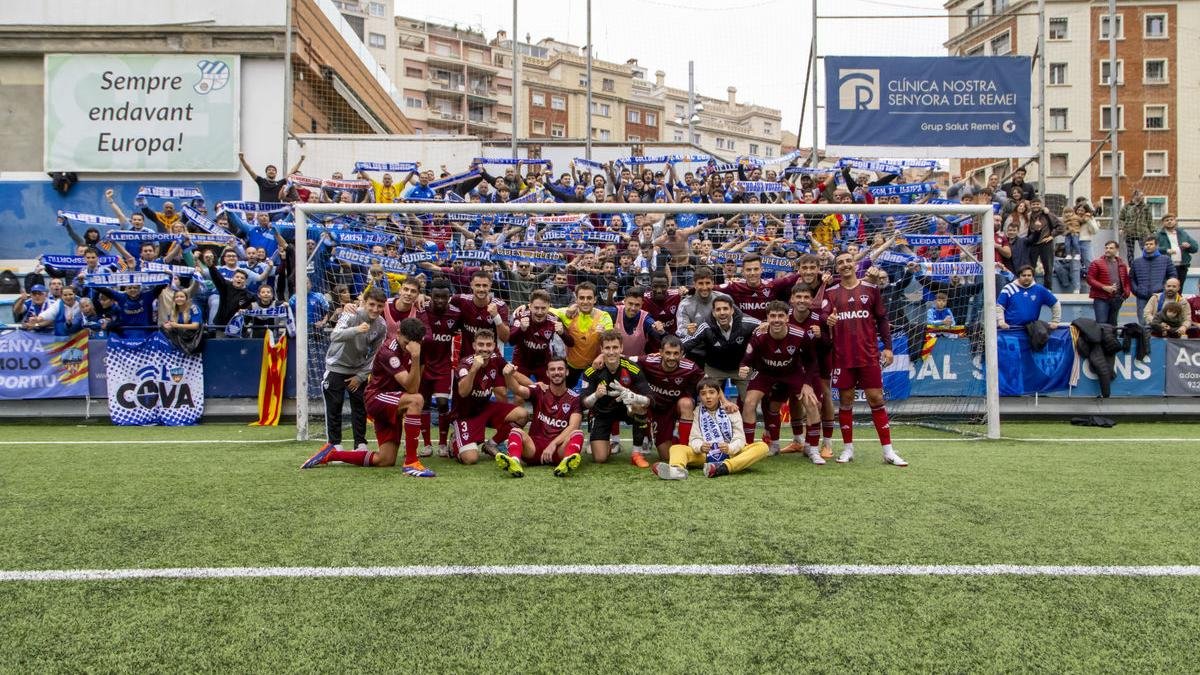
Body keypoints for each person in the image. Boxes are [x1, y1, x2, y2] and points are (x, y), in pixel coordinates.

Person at [301, 317, 435, 477]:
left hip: (394, 401)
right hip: (376, 399)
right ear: (398, 333)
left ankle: (332, 454)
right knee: (416, 400)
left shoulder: (418, 349)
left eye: (414, 345)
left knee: (385, 460)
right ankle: (411, 463)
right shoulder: (388, 352)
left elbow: (414, 385)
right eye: (406, 343)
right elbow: (412, 389)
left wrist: (416, 356)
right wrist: (415, 357)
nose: (408, 348)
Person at [824, 252, 907, 467]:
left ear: (855, 264)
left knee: (876, 399)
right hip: (842, 356)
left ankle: (888, 451)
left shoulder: (871, 288)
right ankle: (848, 449)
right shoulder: (831, 292)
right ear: (836, 268)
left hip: (868, 355)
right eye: (840, 262)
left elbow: (882, 319)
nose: (845, 265)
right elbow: (823, 316)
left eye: (848, 261)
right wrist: (828, 320)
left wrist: (888, 347)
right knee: (845, 401)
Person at [737, 301, 820, 453]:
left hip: (792, 373)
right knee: (749, 402)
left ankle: (812, 449)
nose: (776, 320)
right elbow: (746, 359)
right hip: (765, 373)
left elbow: (812, 360)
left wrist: (807, 384)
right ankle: (750, 447)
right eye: (773, 316)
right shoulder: (759, 334)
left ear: (787, 318)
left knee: (811, 403)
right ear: (767, 318)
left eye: (780, 316)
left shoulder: (799, 334)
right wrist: (743, 367)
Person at [652, 378, 770, 480]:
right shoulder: (697, 412)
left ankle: (724, 467)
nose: (708, 397)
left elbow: (740, 438)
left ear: (719, 394)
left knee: (762, 447)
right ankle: (676, 470)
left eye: (712, 392)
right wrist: (700, 446)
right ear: (699, 397)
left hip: (731, 454)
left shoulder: (731, 409)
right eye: (703, 394)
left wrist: (730, 448)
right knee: (676, 448)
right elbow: (694, 439)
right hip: (705, 455)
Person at [318, 288, 388, 458]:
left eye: (379, 306)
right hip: (336, 367)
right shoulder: (350, 314)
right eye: (372, 304)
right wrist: (356, 329)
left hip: (357, 372)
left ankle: (360, 444)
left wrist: (361, 376)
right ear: (365, 302)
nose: (375, 309)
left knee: (360, 408)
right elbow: (334, 336)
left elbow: (376, 355)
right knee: (334, 407)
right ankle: (334, 445)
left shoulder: (381, 325)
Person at [493, 357, 586, 478]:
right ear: (547, 373)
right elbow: (518, 389)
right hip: (534, 449)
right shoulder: (539, 391)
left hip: (558, 450)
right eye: (552, 369)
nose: (556, 372)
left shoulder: (575, 398)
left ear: (567, 372)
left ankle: (566, 462)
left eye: (560, 369)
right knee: (516, 431)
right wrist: (508, 375)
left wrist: (553, 444)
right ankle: (514, 462)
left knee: (577, 433)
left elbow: (573, 426)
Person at [450, 329, 529, 465]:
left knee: (522, 414)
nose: (485, 349)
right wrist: (474, 369)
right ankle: (454, 441)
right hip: (465, 415)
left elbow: (515, 374)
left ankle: (491, 444)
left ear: (493, 346)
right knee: (470, 459)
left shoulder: (496, 359)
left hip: (485, 408)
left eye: (488, 345)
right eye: (481, 344)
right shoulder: (465, 364)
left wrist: (536, 385)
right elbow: (463, 392)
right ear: (474, 346)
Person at [580, 330, 652, 463]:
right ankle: (606, 444)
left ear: (621, 348)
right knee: (600, 458)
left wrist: (634, 397)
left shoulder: (632, 368)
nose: (611, 352)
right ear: (601, 349)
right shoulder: (592, 370)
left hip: (626, 409)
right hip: (602, 412)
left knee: (640, 406)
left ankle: (637, 453)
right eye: (607, 348)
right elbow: (583, 402)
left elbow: (650, 398)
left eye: (615, 347)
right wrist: (595, 395)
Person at [637, 336, 703, 467]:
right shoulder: (649, 360)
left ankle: (685, 448)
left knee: (686, 403)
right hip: (658, 410)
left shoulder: (690, 367)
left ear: (682, 354)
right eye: (668, 353)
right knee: (666, 456)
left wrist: (725, 401)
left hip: (677, 406)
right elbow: (626, 359)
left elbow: (708, 383)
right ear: (661, 352)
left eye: (676, 353)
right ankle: (669, 435)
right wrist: (601, 357)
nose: (672, 357)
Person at [681, 295, 759, 399]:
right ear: (713, 312)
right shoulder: (706, 326)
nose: (722, 312)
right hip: (714, 368)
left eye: (725, 308)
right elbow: (688, 342)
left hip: (742, 368)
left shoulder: (747, 322)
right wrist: (668, 350)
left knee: (750, 401)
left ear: (732, 310)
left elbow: (766, 327)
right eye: (718, 309)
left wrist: (765, 326)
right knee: (709, 399)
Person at [418, 282, 461, 457]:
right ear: (430, 296)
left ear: (449, 297)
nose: (441, 300)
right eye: (437, 297)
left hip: (443, 366)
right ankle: (427, 445)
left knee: (443, 404)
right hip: (422, 365)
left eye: (444, 297)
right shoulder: (421, 310)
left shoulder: (456, 314)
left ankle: (442, 444)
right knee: (424, 403)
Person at [551, 281, 613, 387]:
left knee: (596, 392)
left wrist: (604, 335)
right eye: (582, 298)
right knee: (565, 389)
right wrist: (525, 306)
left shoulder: (603, 317)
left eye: (589, 298)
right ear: (576, 299)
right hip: (572, 364)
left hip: (594, 365)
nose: (585, 301)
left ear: (595, 299)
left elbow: (611, 340)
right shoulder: (568, 313)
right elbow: (546, 309)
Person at [508, 289, 571, 390]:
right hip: (521, 361)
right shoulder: (521, 316)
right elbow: (511, 341)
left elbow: (571, 343)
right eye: (536, 308)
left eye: (543, 308)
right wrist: (521, 329)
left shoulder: (554, 320)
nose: (540, 312)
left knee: (547, 392)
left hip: (543, 363)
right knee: (520, 394)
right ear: (530, 306)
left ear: (549, 307)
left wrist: (562, 333)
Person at [1128, 237, 1176, 325]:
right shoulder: (1136, 262)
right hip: (1142, 297)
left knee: (1160, 323)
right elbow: (1131, 279)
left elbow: (1173, 276)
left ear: (1156, 246)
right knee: (1143, 323)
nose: (1148, 246)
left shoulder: (1166, 260)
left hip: (1159, 297)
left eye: (1151, 244)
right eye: (1146, 244)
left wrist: (1164, 290)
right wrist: (1137, 291)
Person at [997, 265, 1061, 329]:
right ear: (1019, 276)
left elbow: (1055, 303)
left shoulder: (1039, 289)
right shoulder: (1009, 288)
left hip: (1031, 330)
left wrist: (1055, 321)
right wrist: (1001, 322)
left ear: (1033, 277)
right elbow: (999, 306)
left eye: (1029, 275)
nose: (1026, 277)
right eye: (1024, 275)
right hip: (1011, 330)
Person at [675, 266, 733, 337]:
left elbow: (736, 320)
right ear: (694, 285)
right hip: (696, 342)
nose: (704, 287)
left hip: (721, 339)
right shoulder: (685, 305)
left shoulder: (725, 299)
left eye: (707, 283)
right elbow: (680, 330)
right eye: (701, 283)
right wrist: (688, 332)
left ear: (712, 283)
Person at [1085, 241, 1131, 325]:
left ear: (1117, 249)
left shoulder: (1122, 265)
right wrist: (1104, 287)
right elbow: (1090, 279)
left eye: (1111, 248)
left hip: (1117, 298)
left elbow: (1126, 281)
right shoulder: (1096, 263)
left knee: (1113, 324)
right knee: (1102, 323)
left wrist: (1126, 294)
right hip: (1101, 298)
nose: (1108, 250)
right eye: (1106, 248)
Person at [239, 152, 304, 202]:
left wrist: (301, 160)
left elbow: (292, 171)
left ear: (276, 173)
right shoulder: (261, 181)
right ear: (266, 172)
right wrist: (242, 159)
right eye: (269, 170)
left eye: (273, 170)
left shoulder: (280, 183)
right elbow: (250, 170)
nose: (271, 171)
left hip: (277, 211)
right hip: (264, 211)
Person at [1154, 214, 1196, 287]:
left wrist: (1189, 246)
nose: (1169, 221)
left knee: (1179, 288)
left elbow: (1195, 248)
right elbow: (1153, 248)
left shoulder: (1182, 233)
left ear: (1175, 221)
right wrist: (1166, 250)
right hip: (1166, 266)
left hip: (1182, 266)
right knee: (1167, 288)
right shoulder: (1159, 235)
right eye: (1167, 220)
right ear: (1163, 223)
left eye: (1171, 219)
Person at [1119, 189, 1154, 262]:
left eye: (1143, 195)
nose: (1142, 197)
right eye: (1141, 195)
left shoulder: (1145, 207)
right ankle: (1132, 266)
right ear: (1135, 196)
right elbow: (1121, 218)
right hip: (1129, 232)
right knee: (1130, 252)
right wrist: (1121, 228)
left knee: (1145, 248)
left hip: (1142, 232)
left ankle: (1147, 263)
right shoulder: (1127, 206)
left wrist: (1152, 230)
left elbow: (1149, 219)